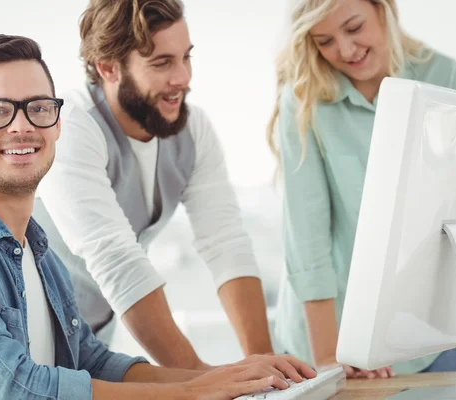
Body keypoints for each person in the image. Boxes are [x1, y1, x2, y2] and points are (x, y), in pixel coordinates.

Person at [0, 34, 316, 399]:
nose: (21, 126)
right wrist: (192, 393)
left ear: (57, 123)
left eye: (38, 108)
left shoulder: (40, 252)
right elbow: (9, 387)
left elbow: (91, 361)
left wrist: (228, 377)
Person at [36, 0, 278, 370]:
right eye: (162, 63)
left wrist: (264, 365)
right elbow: (117, 259)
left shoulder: (193, 130)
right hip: (26, 340)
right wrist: (199, 379)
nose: (183, 77)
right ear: (108, 68)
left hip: (92, 344)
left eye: (186, 57)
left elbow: (226, 242)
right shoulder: (69, 126)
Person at [268, 0, 456, 379]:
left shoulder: (445, 76)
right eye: (324, 40)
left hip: (429, 336)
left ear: (383, 9)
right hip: (329, 331)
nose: (345, 50)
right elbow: (307, 239)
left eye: (354, 28)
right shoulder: (303, 99)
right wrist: (328, 356)